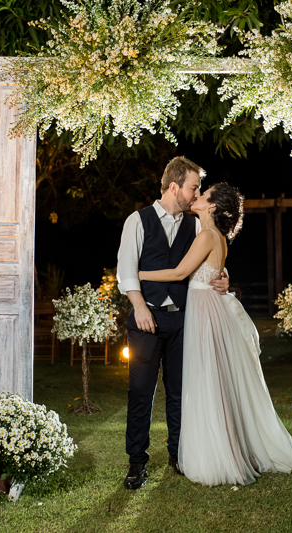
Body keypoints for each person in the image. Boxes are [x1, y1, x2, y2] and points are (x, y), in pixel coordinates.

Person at [139, 183, 292, 486]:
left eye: (203, 195)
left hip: (205, 311)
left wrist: (137, 274)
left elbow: (180, 273)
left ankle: (222, 455)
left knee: (209, 380)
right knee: (215, 381)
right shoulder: (213, 235)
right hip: (209, 307)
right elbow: (213, 268)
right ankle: (225, 448)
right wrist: (225, 276)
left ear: (213, 206)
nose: (197, 196)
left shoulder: (207, 235)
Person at [116, 156, 229, 490]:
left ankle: (178, 455)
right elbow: (126, 270)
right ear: (175, 186)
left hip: (183, 322)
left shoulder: (195, 225)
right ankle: (137, 462)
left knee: (179, 392)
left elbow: (211, 260)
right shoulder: (137, 221)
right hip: (146, 320)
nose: (195, 195)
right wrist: (139, 306)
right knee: (140, 393)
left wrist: (224, 278)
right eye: (193, 188)